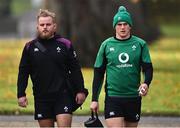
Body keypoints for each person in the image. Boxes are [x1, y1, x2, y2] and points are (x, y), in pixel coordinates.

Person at [17, 9, 88, 127]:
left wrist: (80, 90)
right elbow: (23, 72)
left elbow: (75, 69)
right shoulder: (29, 47)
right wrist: (21, 94)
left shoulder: (65, 44)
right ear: (37, 27)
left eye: (48, 24)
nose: (45, 27)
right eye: (42, 25)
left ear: (54, 26)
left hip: (63, 95)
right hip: (41, 98)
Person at [90, 6, 153, 127]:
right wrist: (94, 99)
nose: (122, 27)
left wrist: (146, 83)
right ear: (115, 26)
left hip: (133, 97)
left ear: (130, 26)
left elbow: (148, 68)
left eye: (125, 24)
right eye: (119, 24)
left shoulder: (140, 44)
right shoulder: (106, 45)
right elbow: (98, 73)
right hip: (113, 97)